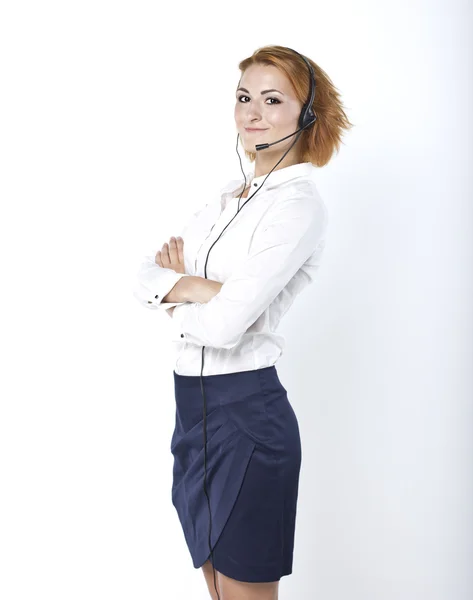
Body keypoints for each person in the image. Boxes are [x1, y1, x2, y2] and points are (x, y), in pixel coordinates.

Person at [134, 45, 353, 600]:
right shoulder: (226, 200)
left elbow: (227, 326)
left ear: (307, 115)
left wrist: (179, 291)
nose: (252, 112)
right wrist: (206, 293)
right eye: (243, 97)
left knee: (244, 591)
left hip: (248, 417)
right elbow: (144, 277)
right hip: (193, 413)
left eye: (272, 99)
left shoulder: (297, 205)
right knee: (216, 586)